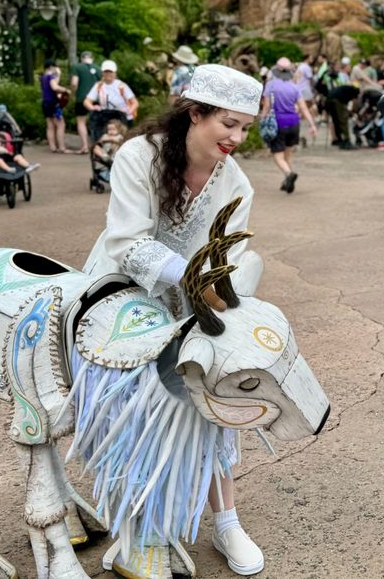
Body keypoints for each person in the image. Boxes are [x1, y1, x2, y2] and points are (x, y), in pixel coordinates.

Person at [80, 63, 267, 577]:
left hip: (192, 305)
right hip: (120, 294)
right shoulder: (138, 155)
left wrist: (224, 297)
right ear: (195, 113)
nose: (237, 137)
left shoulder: (237, 183)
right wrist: (192, 276)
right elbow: (126, 242)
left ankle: (226, 521)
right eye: (228, 123)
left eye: (246, 127)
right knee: (126, 408)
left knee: (213, 394)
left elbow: (229, 261)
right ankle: (137, 521)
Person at [259, 57, 318, 193]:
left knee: (277, 155)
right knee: (288, 156)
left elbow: (266, 106)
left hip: (278, 123)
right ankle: (288, 182)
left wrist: (262, 120)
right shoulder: (294, 87)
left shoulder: (271, 85)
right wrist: (312, 125)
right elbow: (303, 108)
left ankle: (289, 174)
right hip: (294, 123)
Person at [84, 60, 139, 136]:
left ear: (115, 73)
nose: (108, 74)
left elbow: (135, 102)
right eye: (106, 72)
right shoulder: (99, 85)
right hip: (106, 119)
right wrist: (93, 108)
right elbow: (87, 101)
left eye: (110, 72)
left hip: (123, 119)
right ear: (102, 73)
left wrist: (129, 111)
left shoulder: (121, 86)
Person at [70, 51, 101, 154]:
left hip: (81, 98)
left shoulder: (77, 67)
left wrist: (73, 93)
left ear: (81, 58)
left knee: (81, 121)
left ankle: (85, 146)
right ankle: (97, 146)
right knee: (97, 122)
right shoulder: (98, 68)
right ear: (92, 58)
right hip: (96, 99)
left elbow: (74, 83)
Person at [40, 59, 70, 153]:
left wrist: (58, 76)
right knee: (61, 124)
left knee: (50, 126)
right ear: (51, 67)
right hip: (53, 103)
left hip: (45, 102)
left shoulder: (43, 77)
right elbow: (55, 87)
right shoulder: (51, 76)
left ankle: (52, 147)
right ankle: (62, 147)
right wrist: (65, 90)